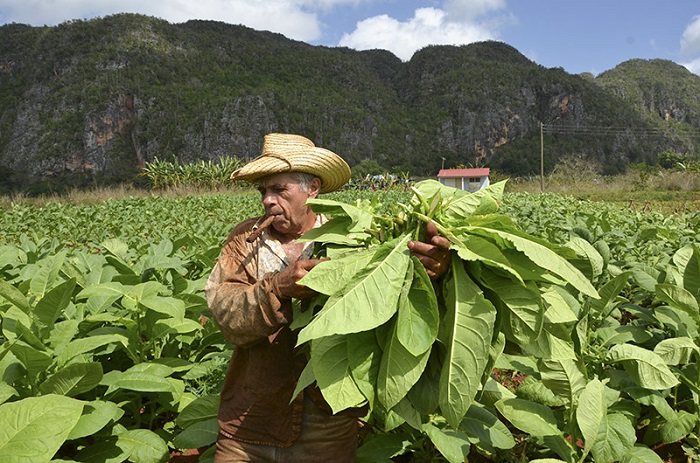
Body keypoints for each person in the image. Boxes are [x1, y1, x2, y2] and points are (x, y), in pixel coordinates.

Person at [205, 133, 451, 463]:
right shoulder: (244, 242)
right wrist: (278, 287)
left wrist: (432, 274)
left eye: (280, 189)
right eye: (264, 190)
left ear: (313, 189)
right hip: (248, 422)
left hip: (326, 423)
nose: (267, 200)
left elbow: (389, 310)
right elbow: (225, 314)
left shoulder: (352, 239)